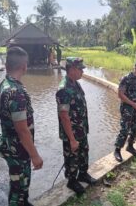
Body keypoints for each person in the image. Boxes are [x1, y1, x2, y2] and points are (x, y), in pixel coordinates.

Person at [0, 46, 43, 206]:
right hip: (18, 148)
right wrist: (35, 155)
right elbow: (22, 130)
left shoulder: (4, 84)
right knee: (18, 186)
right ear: (24, 66)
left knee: (19, 183)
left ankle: (24, 201)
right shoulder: (16, 92)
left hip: (11, 145)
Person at [56, 57, 97, 195]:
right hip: (71, 133)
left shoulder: (76, 84)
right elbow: (64, 116)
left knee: (84, 152)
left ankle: (83, 174)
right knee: (72, 158)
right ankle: (72, 181)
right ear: (72, 69)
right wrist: (72, 139)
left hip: (81, 129)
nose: (82, 72)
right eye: (80, 69)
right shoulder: (64, 88)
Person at [114, 60, 136, 162]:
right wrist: (133, 104)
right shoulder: (126, 78)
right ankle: (117, 150)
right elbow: (120, 94)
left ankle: (130, 146)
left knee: (135, 128)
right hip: (128, 108)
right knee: (125, 129)